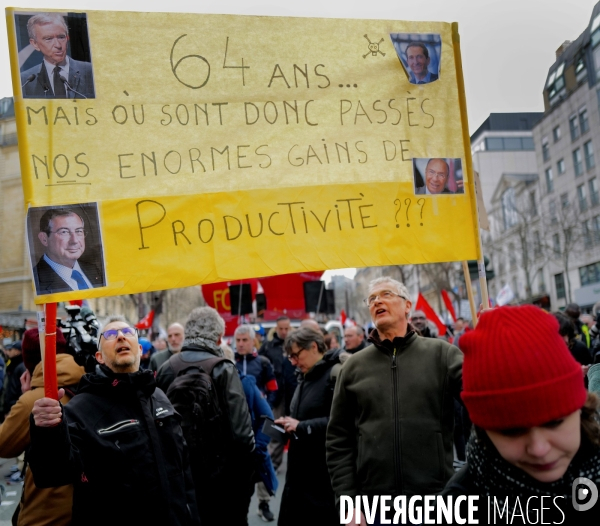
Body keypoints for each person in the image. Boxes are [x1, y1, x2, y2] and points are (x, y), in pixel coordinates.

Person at [28, 317, 200, 526]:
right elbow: (52, 474)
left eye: (128, 332)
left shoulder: (159, 397)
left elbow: (183, 473)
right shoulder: (80, 409)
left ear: (139, 348)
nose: (120, 336)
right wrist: (47, 430)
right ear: (99, 356)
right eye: (110, 335)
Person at [442, 305, 599, 521]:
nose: (539, 449)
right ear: (484, 431)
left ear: (580, 408)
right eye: (511, 431)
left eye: (554, 422)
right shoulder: (459, 508)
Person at [326, 277, 463, 519]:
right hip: (374, 508)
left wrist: (491, 340)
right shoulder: (354, 366)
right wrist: (348, 503)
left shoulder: (442, 354)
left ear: (407, 305)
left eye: (386, 294)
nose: (377, 301)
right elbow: (338, 439)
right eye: (372, 299)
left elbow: (486, 402)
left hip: (436, 502)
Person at [157, 307, 255, 526]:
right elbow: (241, 432)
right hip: (219, 474)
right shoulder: (223, 368)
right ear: (219, 337)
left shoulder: (166, 368)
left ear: (188, 333)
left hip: (180, 472)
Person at [0, 328, 84, 526]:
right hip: (85, 505)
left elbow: (4, 444)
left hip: (47, 510)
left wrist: (26, 397)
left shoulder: (36, 400)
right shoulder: (88, 381)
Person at [276, 327, 342, 526]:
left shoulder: (334, 376)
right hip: (299, 476)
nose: (294, 362)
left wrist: (303, 426)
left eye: (296, 355)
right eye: (290, 357)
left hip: (322, 479)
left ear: (314, 347)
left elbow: (343, 422)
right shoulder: (304, 377)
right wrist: (289, 424)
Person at [234, 324, 278, 522]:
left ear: (254, 341)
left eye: (245, 340)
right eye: (238, 340)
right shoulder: (229, 362)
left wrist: (265, 406)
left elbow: (274, 389)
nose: (241, 344)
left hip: (262, 420)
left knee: (263, 457)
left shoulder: (264, 362)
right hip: (240, 424)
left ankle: (265, 502)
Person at [20, 13, 95, 99]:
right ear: (35, 44)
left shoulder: (90, 71)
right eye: (48, 39)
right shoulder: (25, 80)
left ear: (67, 38)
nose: (58, 45)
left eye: (61, 37)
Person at [34, 208, 104, 295]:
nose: (74, 240)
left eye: (79, 231)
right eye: (64, 232)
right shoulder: (35, 282)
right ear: (44, 239)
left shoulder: (95, 270)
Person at [259, 316, 294, 472]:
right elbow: (259, 366)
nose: (284, 332)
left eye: (287, 328)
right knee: (277, 430)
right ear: (276, 328)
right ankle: (273, 463)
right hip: (277, 395)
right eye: (281, 329)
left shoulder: (295, 343)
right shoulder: (268, 346)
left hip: (294, 392)